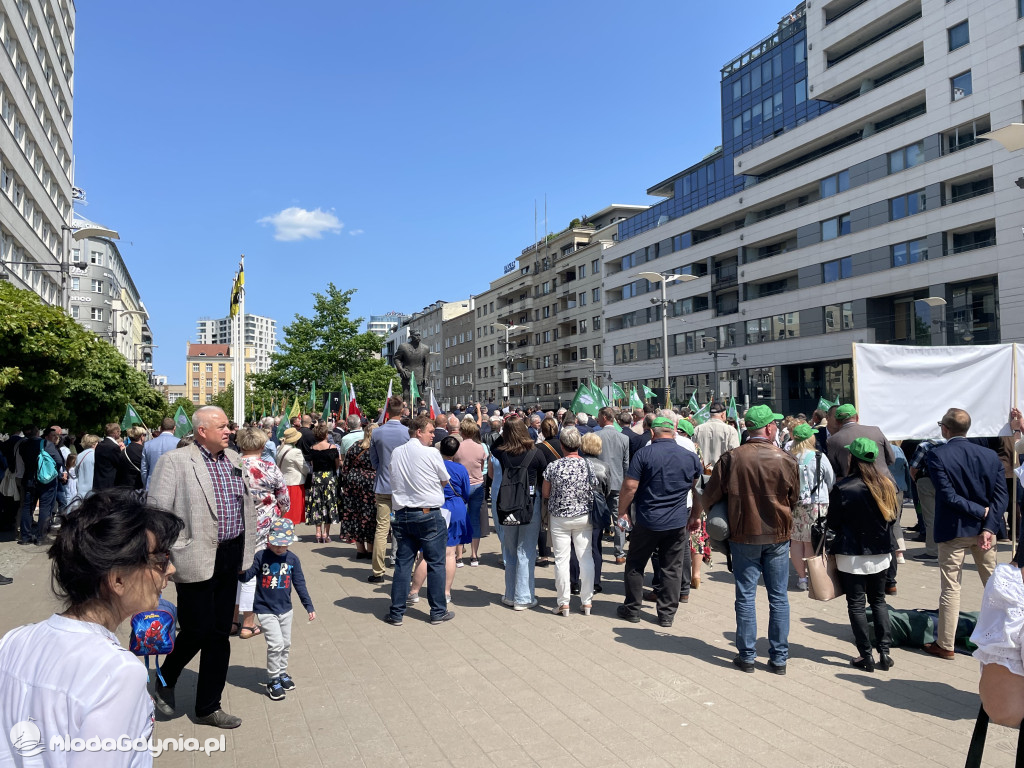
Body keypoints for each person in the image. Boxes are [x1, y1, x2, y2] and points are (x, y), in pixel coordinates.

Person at [0, 489, 182, 765]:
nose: (170, 571)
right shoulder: (118, 673)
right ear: (118, 579)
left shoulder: (14, 640)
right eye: (160, 561)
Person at [147, 406, 258, 729]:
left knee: (220, 634)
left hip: (230, 554)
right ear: (202, 431)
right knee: (196, 629)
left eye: (229, 426)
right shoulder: (176, 462)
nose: (229, 431)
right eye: (222, 426)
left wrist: (246, 554)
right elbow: (157, 515)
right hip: (193, 557)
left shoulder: (235, 460)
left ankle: (208, 706)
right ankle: (166, 677)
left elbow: (245, 508)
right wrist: (157, 561)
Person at [703, 405, 800, 674]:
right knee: (778, 597)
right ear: (769, 428)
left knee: (745, 597)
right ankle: (779, 659)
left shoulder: (732, 458)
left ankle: (747, 657)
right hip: (778, 536)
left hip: (743, 534)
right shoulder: (786, 459)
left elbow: (709, 497)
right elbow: (794, 499)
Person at [922, 408, 1006, 661]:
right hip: (985, 531)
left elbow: (948, 496)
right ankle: (1005, 635)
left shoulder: (937, 455)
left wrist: (983, 516)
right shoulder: (990, 456)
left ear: (945, 429)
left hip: (955, 529)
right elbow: (1001, 497)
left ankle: (945, 643)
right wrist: (989, 524)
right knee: (994, 586)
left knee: (951, 588)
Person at [615, 417, 703, 628]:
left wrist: (622, 512)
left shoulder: (644, 454)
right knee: (672, 568)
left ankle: (633, 609)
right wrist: (696, 516)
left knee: (636, 564)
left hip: (647, 520)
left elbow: (629, 487)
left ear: (653, 434)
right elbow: (698, 491)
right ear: (673, 432)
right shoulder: (690, 457)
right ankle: (666, 615)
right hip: (676, 521)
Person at [826, 438, 899, 671]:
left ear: (852, 458)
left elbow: (833, 523)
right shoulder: (887, 483)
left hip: (852, 553)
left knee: (856, 604)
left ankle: (864, 655)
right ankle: (885, 653)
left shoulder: (843, 487)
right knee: (878, 601)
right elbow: (894, 518)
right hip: (880, 552)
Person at [383, 415, 453, 626]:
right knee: (435, 563)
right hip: (427, 514)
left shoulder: (397, 452)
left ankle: (396, 613)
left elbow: (394, 478)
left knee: (403, 564)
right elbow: (444, 480)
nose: (434, 436)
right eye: (430, 432)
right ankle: (438, 611)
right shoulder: (431, 453)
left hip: (404, 513)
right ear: (418, 432)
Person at [238, 518, 315, 701]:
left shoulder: (292, 559)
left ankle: (281, 673)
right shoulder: (261, 556)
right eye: (276, 544)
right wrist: (240, 569)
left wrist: (308, 605)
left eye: (284, 545)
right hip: (265, 610)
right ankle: (273, 680)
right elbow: (247, 576)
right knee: (276, 645)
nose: (280, 549)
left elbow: (300, 584)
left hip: (286, 609)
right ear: (269, 540)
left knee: (286, 644)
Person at [233, 426, 289, 640]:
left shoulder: (232, 464)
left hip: (236, 523)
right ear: (263, 444)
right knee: (253, 571)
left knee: (236, 570)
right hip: (263, 525)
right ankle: (248, 623)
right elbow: (284, 499)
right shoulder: (269, 467)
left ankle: (232, 620)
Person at [493, 417, 549, 610]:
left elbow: (494, 445)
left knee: (510, 550)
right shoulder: (536, 453)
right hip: (529, 505)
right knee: (525, 551)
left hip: (507, 504)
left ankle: (510, 595)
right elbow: (544, 476)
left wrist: (504, 428)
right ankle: (523, 597)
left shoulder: (502, 453)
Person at [543, 426, 599, 616]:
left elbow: (545, 492)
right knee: (586, 558)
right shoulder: (588, 465)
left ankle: (563, 602)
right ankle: (587, 601)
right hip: (584, 516)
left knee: (561, 559)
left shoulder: (553, 466)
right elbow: (595, 488)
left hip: (559, 517)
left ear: (562, 445)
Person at [410, 435, 470, 605]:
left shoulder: (431, 465)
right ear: (456, 451)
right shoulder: (460, 469)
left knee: (426, 552)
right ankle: (446, 592)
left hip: (434, 507)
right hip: (456, 508)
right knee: (450, 553)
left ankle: (414, 591)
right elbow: (466, 492)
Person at [368, 397, 410, 584]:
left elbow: (374, 461)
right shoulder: (408, 432)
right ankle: (406, 569)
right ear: (402, 411)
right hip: (404, 487)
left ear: (387, 412)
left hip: (383, 485)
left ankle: (378, 572)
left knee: (381, 529)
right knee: (405, 529)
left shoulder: (377, 433)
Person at [789, 422, 834, 591]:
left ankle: (802, 579)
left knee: (796, 541)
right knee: (811, 541)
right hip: (816, 503)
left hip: (795, 504)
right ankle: (814, 577)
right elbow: (831, 481)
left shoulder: (789, 457)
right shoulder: (819, 457)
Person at [572, 431, 612, 600]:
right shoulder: (604, 467)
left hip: (577, 509)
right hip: (596, 509)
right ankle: (595, 582)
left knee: (575, 546)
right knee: (595, 546)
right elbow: (607, 491)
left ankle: (574, 581)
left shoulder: (576, 465)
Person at [595, 409, 631, 566]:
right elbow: (626, 465)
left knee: (596, 518)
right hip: (618, 483)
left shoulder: (596, 436)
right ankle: (619, 553)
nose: (597, 420)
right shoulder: (624, 438)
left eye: (598, 417)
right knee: (619, 519)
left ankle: (596, 551)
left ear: (604, 418)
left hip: (599, 484)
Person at [18, 426, 64, 546]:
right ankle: (40, 537)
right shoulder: (45, 443)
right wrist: (52, 471)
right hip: (46, 480)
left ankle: (25, 537)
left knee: (27, 507)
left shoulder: (23, 445)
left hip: (29, 478)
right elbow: (58, 461)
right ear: (38, 433)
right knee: (45, 507)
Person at [340, 423, 377, 558]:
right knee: (371, 515)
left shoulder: (355, 445)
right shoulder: (377, 447)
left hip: (353, 482)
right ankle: (371, 549)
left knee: (355, 514)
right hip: (371, 483)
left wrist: (346, 482)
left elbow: (345, 466)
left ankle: (360, 549)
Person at [454, 418, 488, 566]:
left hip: (461, 486)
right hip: (478, 484)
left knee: (460, 519)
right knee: (474, 519)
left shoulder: (457, 447)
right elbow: (481, 467)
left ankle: (459, 556)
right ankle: (474, 556)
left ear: (462, 431)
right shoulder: (481, 448)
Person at [306, 423, 341, 543]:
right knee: (328, 504)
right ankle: (326, 533)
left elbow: (312, 465)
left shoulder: (312, 449)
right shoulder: (333, 448)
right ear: (326, 434)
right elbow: (337, 465)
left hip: (317, 478)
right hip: (329, 478)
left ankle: (317, 532)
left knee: (317, 504)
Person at [276, 427, 308, 527]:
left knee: (286, 510)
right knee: (294, 510)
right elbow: (304, 468)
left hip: (284, 481)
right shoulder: (295, 452)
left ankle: (286, 531)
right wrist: (308, 474)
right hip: (295, 482)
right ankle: (291, 532)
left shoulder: (279, 448)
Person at [693, 401, 740, 470]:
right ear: (723, 414)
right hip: (722, 473)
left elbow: (693, 451)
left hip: (702, 472)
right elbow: (735, 454)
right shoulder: (730, 430)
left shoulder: (698, 429)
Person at [142, 417, 181, 488]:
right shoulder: (179, 443)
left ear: (160, 428)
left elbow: (144, 470)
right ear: (174, 428)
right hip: (173, 486)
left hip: (152, 486)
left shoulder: (148, 444)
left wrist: (146, 485)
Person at [92, 423, 127, 491]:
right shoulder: (114, 447)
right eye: (119, 431)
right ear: (115, 432)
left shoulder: (99, 445)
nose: (120, 433)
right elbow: (120, 464)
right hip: (109, 484)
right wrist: (123, 452)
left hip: (98, 483)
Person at [74, 434, 100, 499]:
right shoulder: (95, 454)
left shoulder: (79, 455)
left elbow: (76, 472)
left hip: (80, 489)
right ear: (94, 444)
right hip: (92, 489)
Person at [123, 426, 147, 491]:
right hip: (139, 485)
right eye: (145, 435)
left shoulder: (124, 450)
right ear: (141, 436)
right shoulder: (144, 451)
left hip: (125, 485)